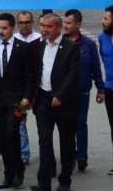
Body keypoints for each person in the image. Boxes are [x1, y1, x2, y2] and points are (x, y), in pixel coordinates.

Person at [0, 13, 35, 191]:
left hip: (18, 100)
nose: (1, 31)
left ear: (12, 28)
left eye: (4, 28)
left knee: (12, 133)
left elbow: (30, 76)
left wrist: (28, 97)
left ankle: (19, 172)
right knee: (3, 137)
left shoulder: (23, 48)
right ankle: (8, 175)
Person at [29, 13, 80, 191]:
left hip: (64, 103)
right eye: (43, 26)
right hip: (43, 100)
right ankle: (44, 183)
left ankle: (64, 181)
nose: (45, 30)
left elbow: (73, 74)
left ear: (58, 27)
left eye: (49, 27)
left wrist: (60, 95)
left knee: (66, 143)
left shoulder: (71, 47)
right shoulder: (40, 46)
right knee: (44, 141)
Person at [62, 9, 104, 174]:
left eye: (69, 23)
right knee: (66, 126)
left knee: (80, 123)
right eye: (64, 22)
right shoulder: (59, 42)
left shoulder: (88, 45)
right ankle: (69, 155)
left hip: (82, 93)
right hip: (63, 94)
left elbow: (95, 67)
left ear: (78, 24)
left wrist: (101, 88)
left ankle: (82, 157)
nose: (65, 25)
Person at [13, 12, 41, 166]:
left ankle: (45, 152)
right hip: (20, 89)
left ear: (33, 22)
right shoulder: (14, 39)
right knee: (20, 122)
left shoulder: (39, 39)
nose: (24, 25)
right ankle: (24, 153)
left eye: (27, 22)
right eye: (21, 22)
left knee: (43, 123)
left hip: (38, 87)